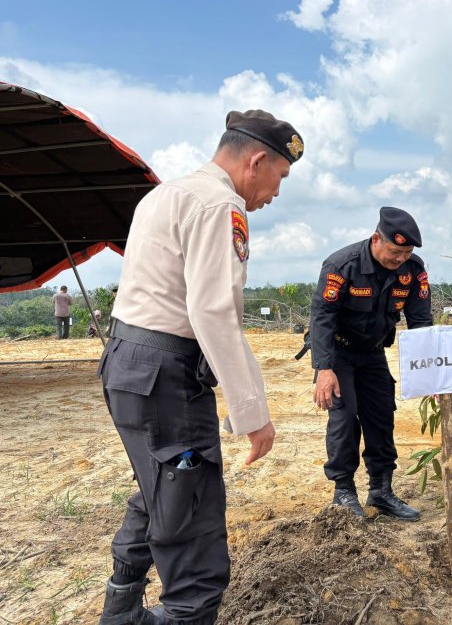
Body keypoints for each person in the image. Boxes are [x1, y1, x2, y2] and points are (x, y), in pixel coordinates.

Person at [98, 109, 303, 625]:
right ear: (256, 161)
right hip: (166, 372)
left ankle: (121, 605)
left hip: (128, 362)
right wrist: (252, 414)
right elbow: (213, 313)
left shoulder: (165, 194)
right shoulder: (219, 204)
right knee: (191, 520)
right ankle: (185, 614)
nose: (275, 194)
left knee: (160, 483)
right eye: (279, 178)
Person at [309, 207, 433, 520]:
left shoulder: (413, 270)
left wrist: (431, 372)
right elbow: (322, 317)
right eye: (395, 251)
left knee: (381, 416)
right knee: (345, 416)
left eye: (406, 253)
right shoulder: (342, 265)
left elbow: (420, 321)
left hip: (374, 353)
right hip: (338, 354)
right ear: (377, 238)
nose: (400, 259)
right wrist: (324, 369)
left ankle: (381, 490)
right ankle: (344, 492)